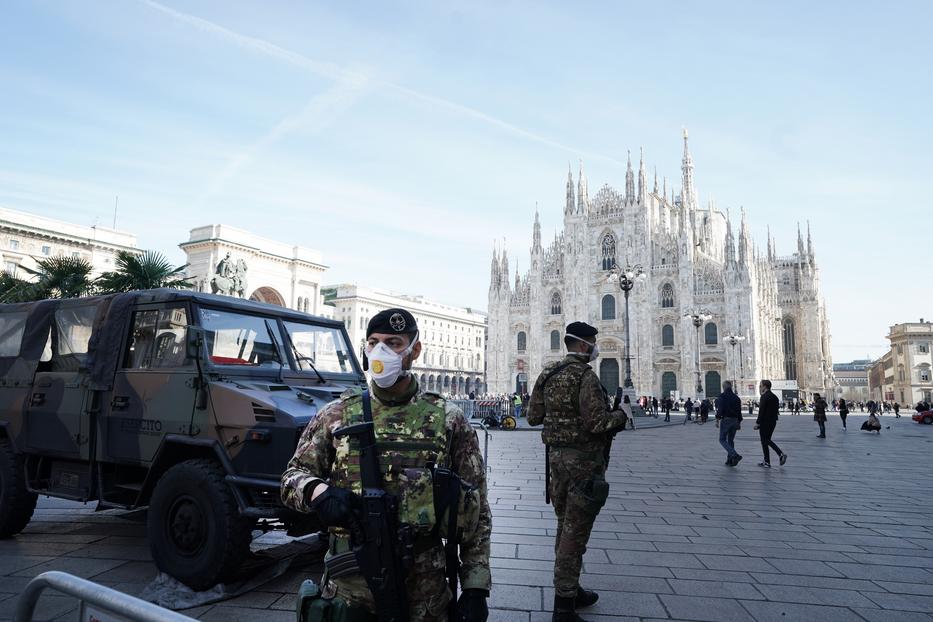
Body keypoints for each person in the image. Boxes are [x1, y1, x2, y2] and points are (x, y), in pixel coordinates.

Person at [281, 308, 491, 622]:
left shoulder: (449, 420)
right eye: (373, 342)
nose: (381, 351)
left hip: (425, 595)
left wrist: (475, 587)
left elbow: (477, 508)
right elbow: (291, 478)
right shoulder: (335, 414)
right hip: (348, 593)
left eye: (393, 343)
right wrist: (318, 491)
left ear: (414, 350)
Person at [527, 322, 629, 622]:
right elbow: (597, 424)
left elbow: (533, 416)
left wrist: (559, 420)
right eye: (593, 343)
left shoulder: (548, 374)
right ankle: (563, 607)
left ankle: (572, 588)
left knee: (565, 525)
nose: (596, 347)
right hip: (583, 464)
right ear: (585, 346)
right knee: (575, 532)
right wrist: (622, 415)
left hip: (555, 464)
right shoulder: (586, 377)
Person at [754, 380, 786, 468]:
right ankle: (767, 461)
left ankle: (780, 454)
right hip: (772, 422)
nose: (760, 387)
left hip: (765, 422)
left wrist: (757, 423)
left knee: (765, 440)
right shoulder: (774, 397)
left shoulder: (764, 397)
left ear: (765, 386)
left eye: (760, 386)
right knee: (765, 441)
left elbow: (762, 411)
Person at [717, 381, 743, 466]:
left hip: (726, 420)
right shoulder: (736, 398)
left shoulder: (722, 396)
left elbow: (720, 409)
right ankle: (730, 460)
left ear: (723, 387)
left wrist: (717, 419)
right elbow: (739, 412)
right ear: (731, 387)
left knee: (722, 439)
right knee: (730, 440)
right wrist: (739, 422)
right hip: (735, 420)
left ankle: (734, 455)